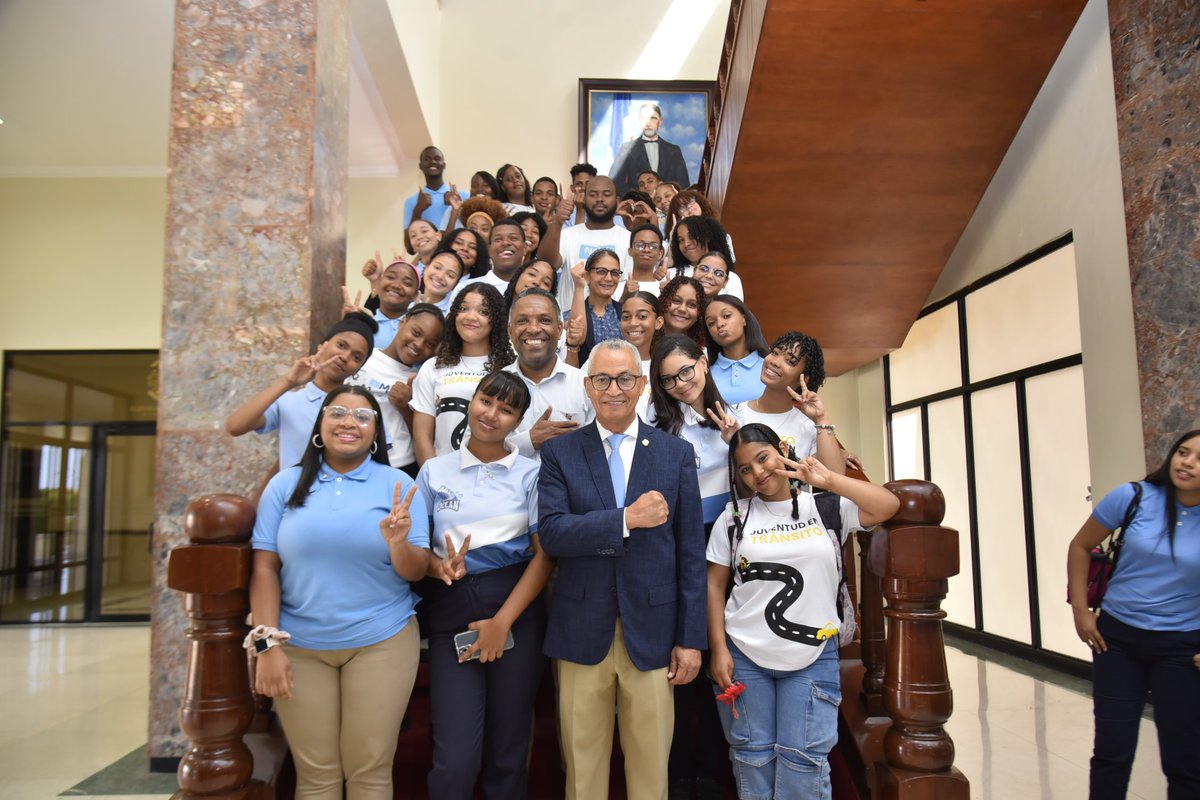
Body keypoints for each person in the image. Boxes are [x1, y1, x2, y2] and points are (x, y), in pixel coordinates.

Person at [538, 338, 707, 800]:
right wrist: (626, 520)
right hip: (580, 629)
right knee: (582, 771)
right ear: (587, 387)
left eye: (625, 378)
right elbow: (552, 534)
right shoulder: (560, 453)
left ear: (642, 385)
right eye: (602, 379)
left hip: (654, 632)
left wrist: (690, 639)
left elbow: (691, 554)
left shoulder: (674, 453)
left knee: (651, 772)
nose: (614, 389)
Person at [250, 385, 431, 800]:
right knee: (316, 776)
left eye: (363, 416)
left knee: (369, 772)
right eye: (337, 413)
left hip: (381, 641)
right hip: (298, 645)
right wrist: (266, 645)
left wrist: (398, 543)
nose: (349, 422)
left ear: (376, 432)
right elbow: (264, 568)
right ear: (320, 425)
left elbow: (416, 570)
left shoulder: (399, 485)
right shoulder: (284, 484)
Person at [707, 423, 899, 799]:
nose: (758, 472)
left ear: (782, 449)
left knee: (805, 762)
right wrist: (718, 649)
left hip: (814, 654)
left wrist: (828, 480)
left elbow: (887, 506)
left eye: (763, 458)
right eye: (745, 469)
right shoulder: (733, 518)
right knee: (752, 758)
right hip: (745, 654)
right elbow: (714, 586)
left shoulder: (825, 507)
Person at [416, 372, 552, 800]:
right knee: (455, 759)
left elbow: (544, 556)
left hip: (517, 617)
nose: (492, 414)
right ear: (471, 401)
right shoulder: (433, 471)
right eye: (486, 401)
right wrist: (438, 566)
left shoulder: (532, 474)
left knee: (508, 750)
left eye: (506, 410)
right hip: (451, 614)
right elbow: (417, 552)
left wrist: (501, 623)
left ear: (518, 422)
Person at [1068, 430, 1200, 799]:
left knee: (1185, 759)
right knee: (1112, 752)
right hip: (1116, 641)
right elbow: (1081, 545)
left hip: (1182, 649)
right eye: (1183, 452)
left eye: (1199, 459)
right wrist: (1081, 612)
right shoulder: (1133, 497)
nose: (1187, 463)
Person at [649, 334, 740, 799]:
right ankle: (681, 773)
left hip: (728, 546)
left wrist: (735, 443)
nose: (681, 383)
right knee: (684, 653)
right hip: (678, 546)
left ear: (704, 363)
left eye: (686, 370)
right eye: (669, 379)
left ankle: (718, 771)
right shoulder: (658, 426)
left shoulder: (736, 417)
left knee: (724, 654)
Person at [225, 312, 378, 469]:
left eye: (357, 357)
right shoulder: (290, 401)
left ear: (359, 368)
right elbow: (235, 427)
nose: (345, 357)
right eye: (341, 345)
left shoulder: (359, 411)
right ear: (322, 346)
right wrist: (288, 382)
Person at [410, 283, 514, 464]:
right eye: (464, 308)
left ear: (496, 320)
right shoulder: (433, 367)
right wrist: (433, 475)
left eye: (483, 312)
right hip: (441, 474)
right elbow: (422, 436)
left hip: (493, 474)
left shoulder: (509, 368)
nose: (471, 317)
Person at [346, 304, 445, 477]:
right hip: (350, 458)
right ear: (402, 322)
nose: (419, 344)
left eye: (430, 344)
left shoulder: (421, 379)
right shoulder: (363, 357)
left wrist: (405, 407)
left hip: (397, 467)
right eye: (416, 332)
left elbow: (424, 437)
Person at [734, 331, 847, 475]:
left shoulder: (808, 426)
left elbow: (834, 477)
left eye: (790, 361)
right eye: (774, 352)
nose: (775, 361)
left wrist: (822, 418)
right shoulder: (734, 413)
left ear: (803, 378)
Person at [503, 289, 591, 459]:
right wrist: (528, 441)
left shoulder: (585, 385)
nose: (533, 329)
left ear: (559, 329)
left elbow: (600, 447)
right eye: (522, 321)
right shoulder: (492, 387)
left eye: (544, 320)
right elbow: (479, 449)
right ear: (510, 331)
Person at [538, 176, 631, 318]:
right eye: (593, 194)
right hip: (570, 322)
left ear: (617, 201)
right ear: (584, 199)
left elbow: (630, 283)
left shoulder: (629, 238)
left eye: (606, 194)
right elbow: (546, 263)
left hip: (614, 323)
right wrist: (557, 221)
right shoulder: (568, 235)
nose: (599, 199)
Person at [705, 295, 770, 405]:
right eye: (711, 323)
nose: (719, 324)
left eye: (726, 316)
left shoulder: (770, 367)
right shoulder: (705, 375)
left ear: (744, 319)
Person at [612, 102, 690, 194]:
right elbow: (616, 181)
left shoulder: (674, 150)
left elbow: (683, 184)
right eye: (644, 118)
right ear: (639, 120)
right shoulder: (626, 149)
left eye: (653, 118)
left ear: (660, 121)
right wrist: (635, 197)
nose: (648, 123)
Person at [564, 249, 623, 367]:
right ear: (587, 276)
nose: (609, 278)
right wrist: (579, 286)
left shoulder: (626, 313)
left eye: (615, 273)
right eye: (601, 271)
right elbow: (578, 338)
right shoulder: (567, 315)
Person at [668, 216, 744, 300]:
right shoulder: (668, 274)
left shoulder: (732, 279)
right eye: (681, 240)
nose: (686, 244)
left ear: (707, 237)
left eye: (691, 237)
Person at [369, 258, 421, 348]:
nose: (396, 285)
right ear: (379, 283)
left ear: (415, 296)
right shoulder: (366, 326)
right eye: (390, 277)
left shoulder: (417, 330)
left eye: (407, 283)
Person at [403, 145, 455, 229]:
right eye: (427, 159)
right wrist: (418, 209)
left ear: (444, 165)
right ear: (420, 166)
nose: (432, 161)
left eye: (437, 159)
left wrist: (456, 206)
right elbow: (407, 237)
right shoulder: (411, 201)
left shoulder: (461, 196)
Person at [659, 275, 708, 349]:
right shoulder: (644, 344)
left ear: (700, 314)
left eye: (692, 305)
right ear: (663, 302)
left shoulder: (705, 353)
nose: (682, 309)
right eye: (676, 300)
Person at [624, 223, 668, 297]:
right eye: (640, 245)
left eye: (653, 246)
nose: (646, 250)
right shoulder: (616, 287)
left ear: (660, 253)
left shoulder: (665, 288)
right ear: (630, 251)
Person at [418, 251, 465, 315]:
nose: (440, 276)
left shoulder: (452, 313)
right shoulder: (409, 301)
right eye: (437, 268)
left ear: (455, 285)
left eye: (450, 275)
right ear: (426, 268)